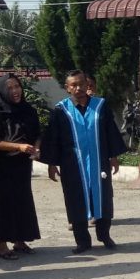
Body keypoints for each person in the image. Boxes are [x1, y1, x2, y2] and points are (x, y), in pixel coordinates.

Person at [40, 70, 127, 253]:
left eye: (81, 84)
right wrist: (51, 163)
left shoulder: (100, 105)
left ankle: (104, 235)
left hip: (99, 162)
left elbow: (110, 132)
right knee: (75, 201)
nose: (78, 88)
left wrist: (114, 157)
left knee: (103, 198)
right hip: (72, 164)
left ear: (88, 85)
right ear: (67, 88)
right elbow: (53, 139)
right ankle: (82, 241)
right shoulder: (60, 110)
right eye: (74, 85)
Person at [0, 74, 41, 260]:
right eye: (9, 88)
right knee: (5, 203)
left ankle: (20, 240)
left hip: (23, 164)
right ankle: (2, 245)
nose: (15, 91)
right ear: (2, 91)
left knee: (23, 201)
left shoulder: (28, 110)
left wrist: (37, 148)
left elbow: (37, 133)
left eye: (17, 86)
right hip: (4, 165)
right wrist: (18, 146)